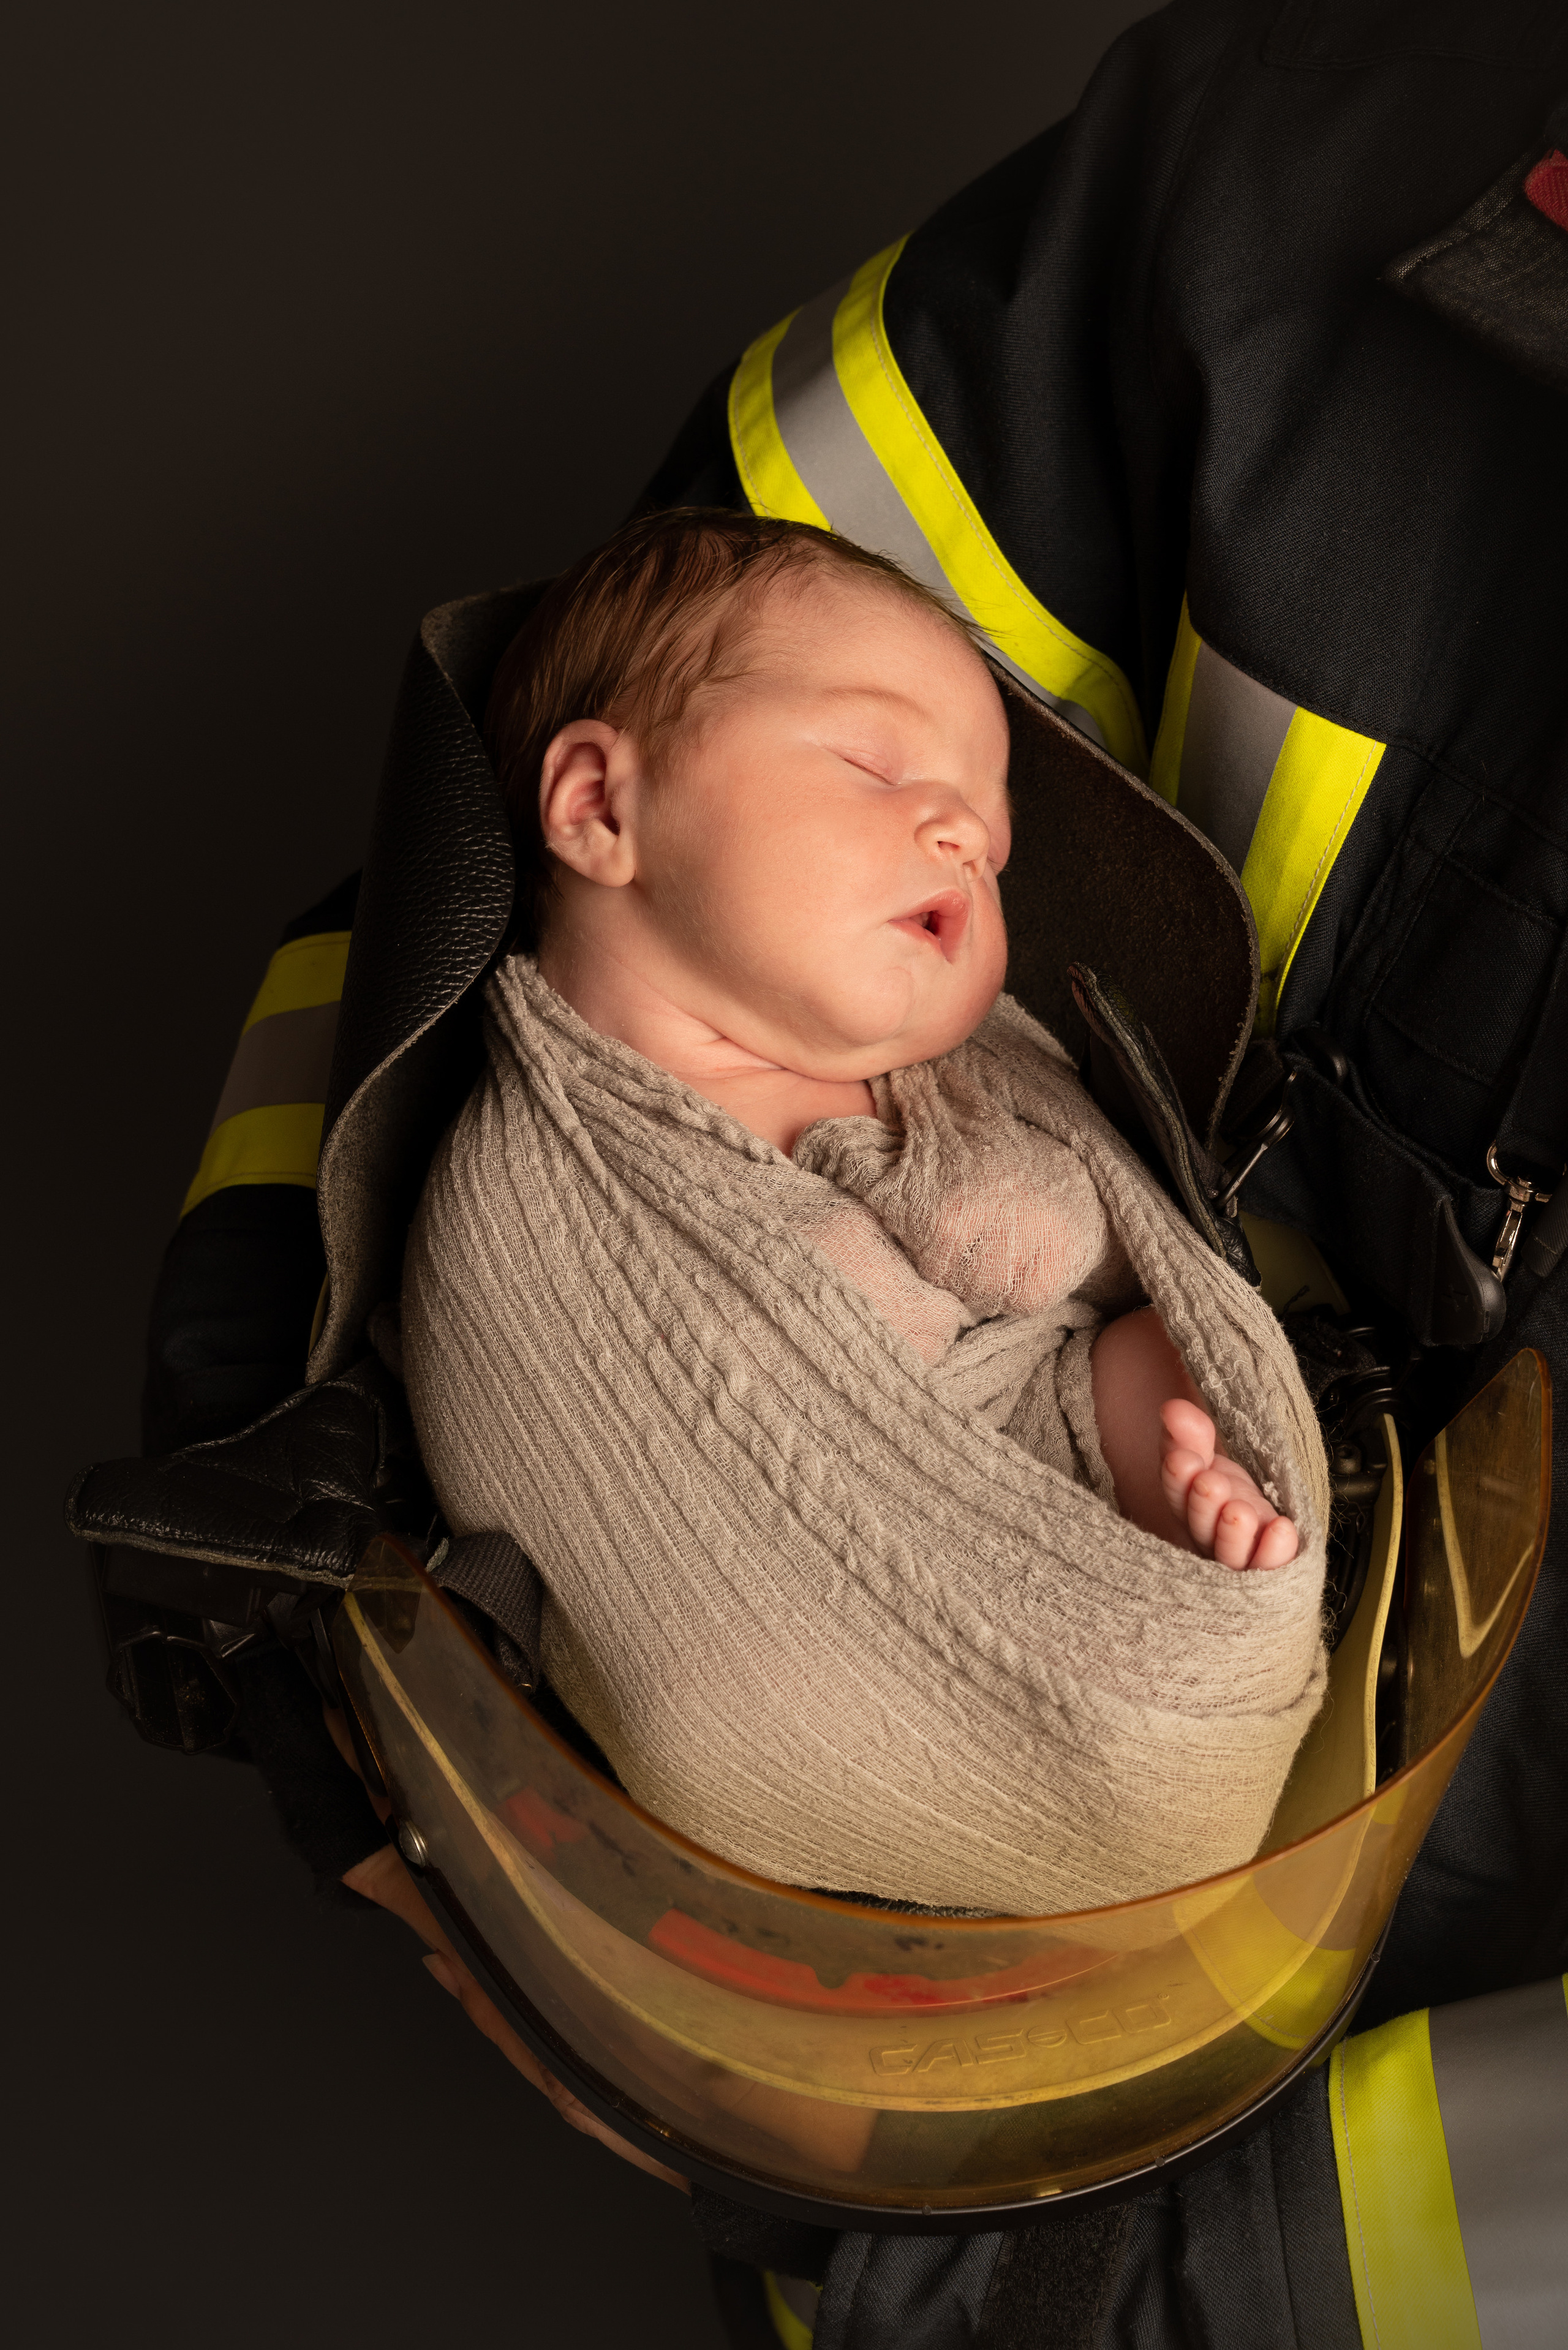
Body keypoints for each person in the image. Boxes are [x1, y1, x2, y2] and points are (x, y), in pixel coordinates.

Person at [113, 2, 1568, 2343]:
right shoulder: (1295, 174)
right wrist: (345, 1607)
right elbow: (501, 869)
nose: (961, 842)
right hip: (814, 2071)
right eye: (913, 782)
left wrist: (1115, 2285)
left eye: (986, 828)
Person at [399, 504, 1320, 1923]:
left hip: (1048, 1435)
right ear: (598, 808)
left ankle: (1184, 1563)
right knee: (722, 1704)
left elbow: (1097, 1253)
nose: (961, 834)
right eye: (874, 763)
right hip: (818, 1624)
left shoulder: (963, 1072)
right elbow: (593, 1489)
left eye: (992, 847)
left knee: (1161, 1368)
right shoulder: (520, 1200)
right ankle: (1137, 1689)